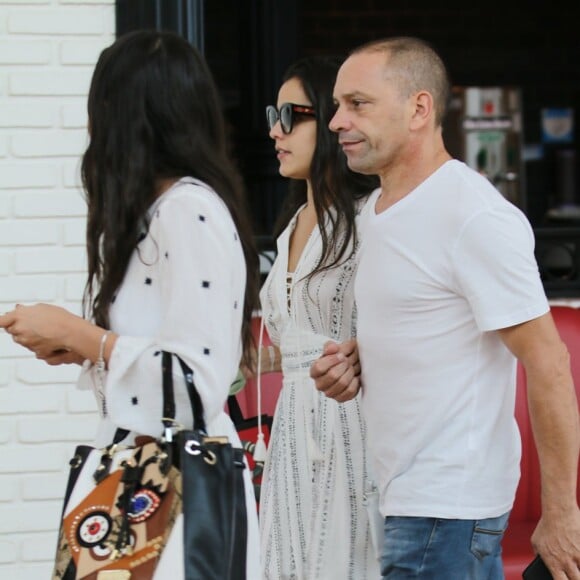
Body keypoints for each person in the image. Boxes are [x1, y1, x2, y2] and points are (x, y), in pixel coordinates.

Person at [310, 36, 580, 579]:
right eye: (336, 105)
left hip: (445, 511)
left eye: (357, 103)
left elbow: (548, 363)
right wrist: (358, 359)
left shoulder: (473, 215)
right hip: (402, 499)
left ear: (419, 108)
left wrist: (560, 515)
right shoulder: (376, 213)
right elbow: (436, 325)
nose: (336, 121)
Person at [0, 30, 261, 579]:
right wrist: (82, 348)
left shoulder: (186, 211)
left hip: (171, 485)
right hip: (142, 475)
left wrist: (82, 336)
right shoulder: (162, 211)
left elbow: (194, 385)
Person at [256, 55, 382, 579]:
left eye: (291, 114)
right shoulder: (291, 227)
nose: (274, 130)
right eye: (273, 114)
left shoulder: (370, 216)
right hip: (292, 426)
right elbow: (295, 345)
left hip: (352, 421)